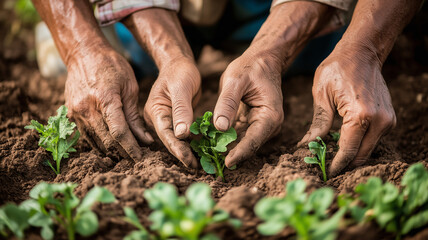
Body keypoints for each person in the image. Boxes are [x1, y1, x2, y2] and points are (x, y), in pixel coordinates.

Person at [31, 0, 423, 177]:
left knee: (316, 51)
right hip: (155, 10)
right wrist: (82, 46)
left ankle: (255, 41)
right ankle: (102, 36)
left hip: (275, 8)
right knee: (134, 55)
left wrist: (365, 46)